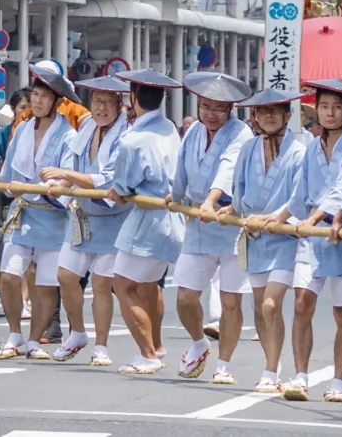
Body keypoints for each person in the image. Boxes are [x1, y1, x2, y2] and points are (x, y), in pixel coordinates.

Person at [280, 78, 342, 404]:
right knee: (302, 303)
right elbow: (299, 195)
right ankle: (300, 376)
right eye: (324, 106)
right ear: (315, 109)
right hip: (313, 237)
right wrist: (277, 220)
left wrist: (312, 220)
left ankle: (338, 381)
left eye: (337, 107)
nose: (330, 113)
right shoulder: (311, 148)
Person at [89, 69, 186, 376]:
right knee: (148, 284)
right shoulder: (169, 127)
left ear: (132, 98)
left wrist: (117, 190)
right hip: (173, 218)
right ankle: (157, 346)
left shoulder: (133, 139)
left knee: (122, 285)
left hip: (148, 218)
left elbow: (123, 186)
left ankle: (148, 353)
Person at [168, 72, 252, 384]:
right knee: (186, 297)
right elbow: (182, 165)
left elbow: (229, 167)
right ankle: (199, 342)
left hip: (228, 222)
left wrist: (211, 200)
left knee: (231, 300)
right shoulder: (193, 132)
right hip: (198, 224)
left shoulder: (241, 133)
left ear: (231, 108)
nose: (210, 114)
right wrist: (175, 196)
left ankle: (225, 363)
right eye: (205, 106)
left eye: (218, 108)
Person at [48, 72, 131, 365]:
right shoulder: (85, 127)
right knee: (66, 276)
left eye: (108, 103)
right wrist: (63, 187)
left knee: (100, 285)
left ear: (120, 105)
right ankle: (78, 333)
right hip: (82, 216)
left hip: (112, 218)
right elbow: (72, 164)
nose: (101, 108)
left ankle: (102, 346)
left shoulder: (126, 134)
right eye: (97, 101)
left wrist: (66, 176)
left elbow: (109, 180)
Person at [0, 69, 75, 360]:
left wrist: (47, 187)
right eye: (35, 96)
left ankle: (34, 340)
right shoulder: (24, 129)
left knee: (46, 285)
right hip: (23, 213)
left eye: (45, 97)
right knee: (9, 276)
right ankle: (14, 333)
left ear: (57, 102)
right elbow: (9, 172)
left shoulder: (69, 134)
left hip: (52, 216)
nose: (38, 102)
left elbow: (67, 177)